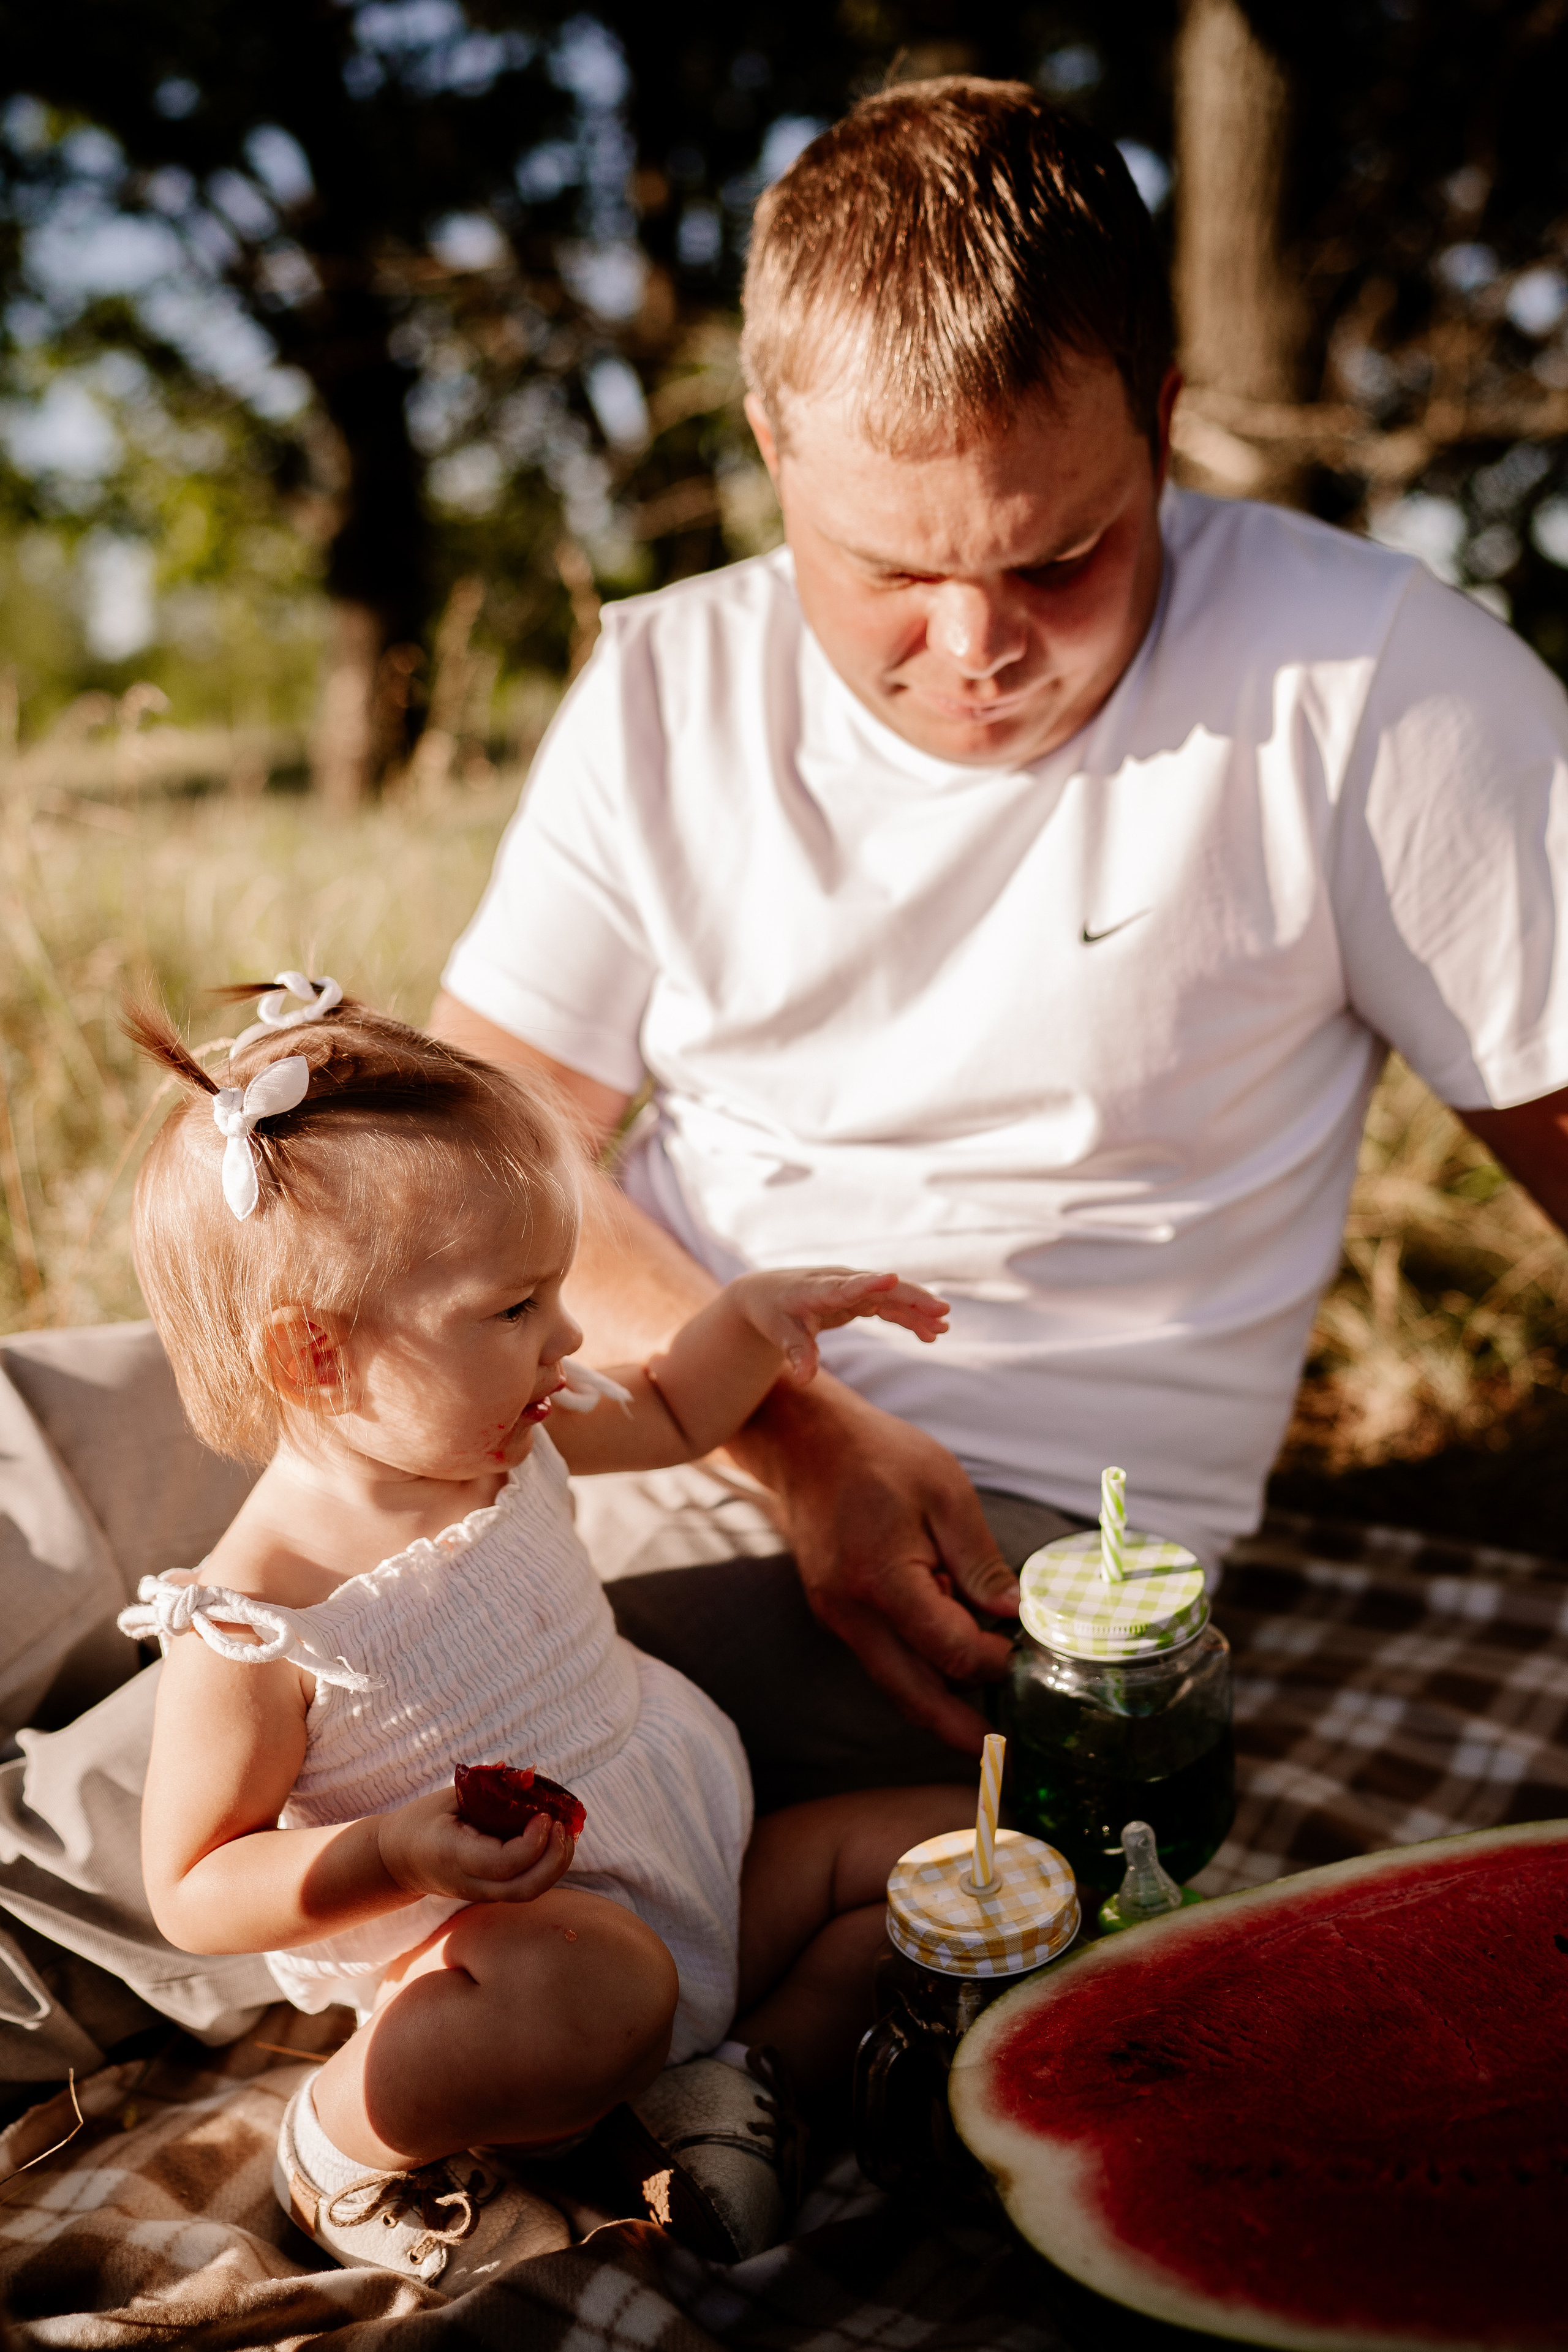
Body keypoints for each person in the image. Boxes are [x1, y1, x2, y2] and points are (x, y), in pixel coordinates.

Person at [433, 75, 1568, 1788]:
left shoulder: (1384, 691)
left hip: (1023, 1523)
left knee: (390, 1732)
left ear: (1165, 420)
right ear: (769, 447)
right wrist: (787, 1431)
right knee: (48, 1456)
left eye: (1065, 555)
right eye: (886, 564)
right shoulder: (669, 681)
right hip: (607, 1371)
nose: (974, 644)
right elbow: (481, 1160)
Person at [117, 981, 971, 2288]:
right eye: (514, 1309)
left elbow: (681, 1410)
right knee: (593, 1993)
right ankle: (338, 2147)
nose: (566, 1338)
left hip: (692, 1859)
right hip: (518, 1960)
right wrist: (394, 1850)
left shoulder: (511, 1430)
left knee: (939, 1855)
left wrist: (753, 1317)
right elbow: (194, 1887)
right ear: (315, 1361)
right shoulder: (261, 1622)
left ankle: (728, 2096)